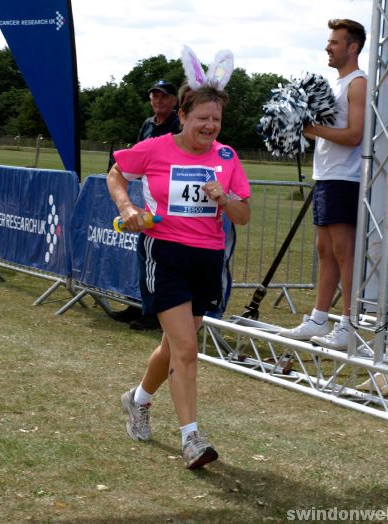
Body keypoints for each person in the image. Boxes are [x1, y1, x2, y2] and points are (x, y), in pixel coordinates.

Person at [107, 83, 251, 468]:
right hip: (165, 252)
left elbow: (243, 216)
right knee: (186, 349)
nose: (209, 126)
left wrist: (226, 198)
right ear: (183, 116)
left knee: (174, 346)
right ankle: (192, 439)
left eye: (216, 119)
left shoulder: (227, 156)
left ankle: (136, 399)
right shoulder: (155, 147)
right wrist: (127, 206)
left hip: (207, 259)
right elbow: (116, 174)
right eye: (202, 118)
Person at [279, 18, 367, 351]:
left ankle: (348, 324)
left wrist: (311, 129)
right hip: (327, 176)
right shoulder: (336, 85)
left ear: (352, 47)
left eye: (334, 42)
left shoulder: (358, 83)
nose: (328, 47)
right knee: (324, 250)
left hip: (346, 178)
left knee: (344, 252)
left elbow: (355, 135)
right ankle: (319, 317)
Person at [111, 80, 180, 330]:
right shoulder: (148, 124)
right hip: (144, 194)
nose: (158, 100)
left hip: (168, 199)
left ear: (174, 101)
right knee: (144, 258)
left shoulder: (178, 125)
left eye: (164, 96)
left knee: (158, 258)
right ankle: (137, 305)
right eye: (154, 96)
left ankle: (154, 313)